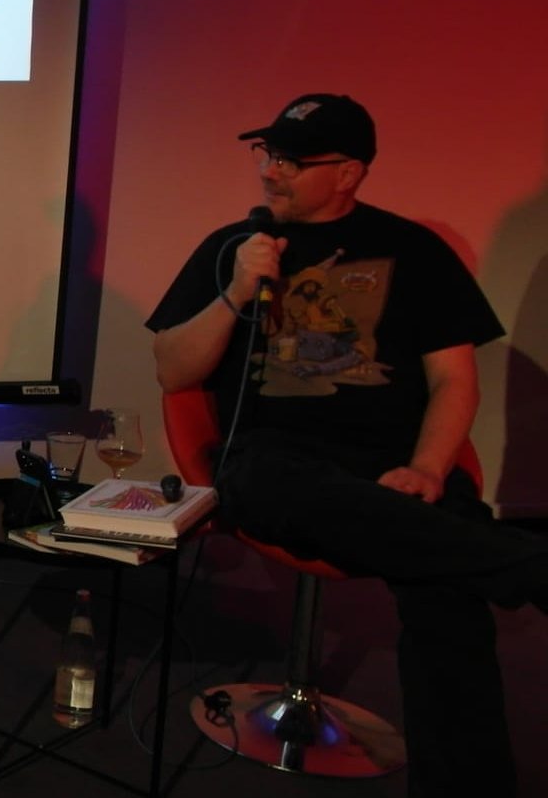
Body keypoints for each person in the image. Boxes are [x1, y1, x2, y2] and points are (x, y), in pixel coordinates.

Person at [147, 93, 548, 797]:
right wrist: (236, 291)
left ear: (349, 172)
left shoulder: (415, 251)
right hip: (277, 460)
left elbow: (454, 380)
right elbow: (173, 371)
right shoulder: (232, 248)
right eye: (268, 153)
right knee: (279, 484)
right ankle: (530, 567)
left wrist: (427, 467)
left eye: (293, 161)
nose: (271, 171)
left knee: (446, 591)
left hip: (394, 461)